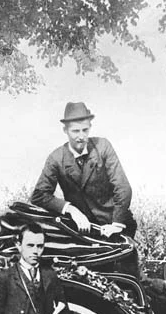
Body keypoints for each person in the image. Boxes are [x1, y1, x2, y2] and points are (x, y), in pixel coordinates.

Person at [30, 101, 135, 238]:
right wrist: (70, 209)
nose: (81, 136)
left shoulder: (103, 146)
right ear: (65, 130)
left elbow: (123, 188)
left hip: (117, 226)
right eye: (75, 131)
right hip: (84, 231)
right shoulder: (55, 158)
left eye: (85, 130)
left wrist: (116, 224)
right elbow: (39, 195)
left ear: (90, 127)